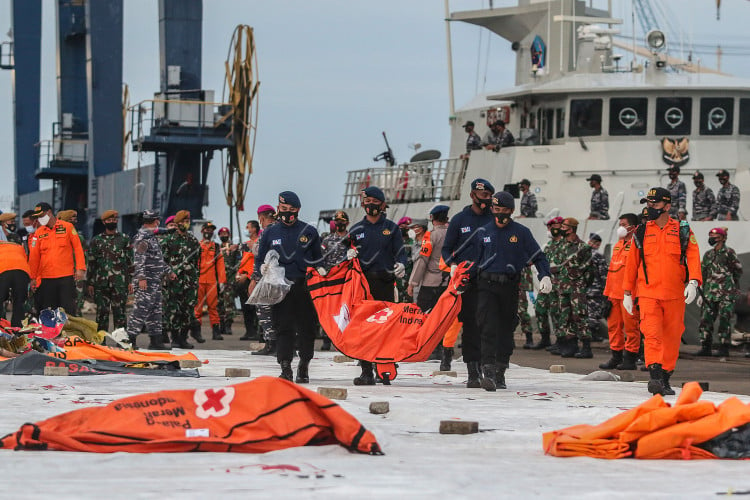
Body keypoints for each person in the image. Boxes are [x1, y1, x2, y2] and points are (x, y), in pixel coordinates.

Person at [623, 187, 702, 396]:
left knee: (673, 336)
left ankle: (666, 376)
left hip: (675, 294)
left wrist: (693, 282)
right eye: (648, 203)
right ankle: (656, 375)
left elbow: (693, 256)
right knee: (652, 334)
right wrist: (627, 293)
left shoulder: (682, 229)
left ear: (667, 206)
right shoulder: (641, 231)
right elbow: (632, 263)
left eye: (655, 204)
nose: (650, 207)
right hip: (648, 293)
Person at [473, 191, 552, 391]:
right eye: (497, 210)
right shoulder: (483, 232)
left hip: (509, 286)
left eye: (505, 211)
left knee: (506, 329)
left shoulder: (521, 233)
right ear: (491, 209)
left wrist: (545, 275)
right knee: (488, 327)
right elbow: (472, 261)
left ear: (512, 211)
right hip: (486, 285)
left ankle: (500, 370)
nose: (501, 214)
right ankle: (488, 371)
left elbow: (538, 256)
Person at [247, 191, 322, 383]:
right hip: (280, 288)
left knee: (307, 328)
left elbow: (319, 258)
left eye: (292, 210)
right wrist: (258, 273)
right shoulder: (270, 233)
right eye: (284, 209)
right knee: (283, 327)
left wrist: (320, 269)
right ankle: (285, 366)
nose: (287, 213)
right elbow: (259, 258)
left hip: (304, 287)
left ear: (298, 210)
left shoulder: (309, 231)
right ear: (278, 208)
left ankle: (304, 364)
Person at [348, 186, 407, 385]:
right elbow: (344, 254)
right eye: (367, 201)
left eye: (375, 202)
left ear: (382, 205)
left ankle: (384, 369)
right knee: (364, 328)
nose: (370, 205)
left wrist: (401, 264)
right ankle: (366, 370)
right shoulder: (356, 230)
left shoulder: (392, 228)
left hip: (385, 282)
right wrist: (348, 256)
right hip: (363, 285)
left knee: (385, 328)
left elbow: (401, 253)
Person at [441, 178, 495, 387]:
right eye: (484, 196)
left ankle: (489, 369)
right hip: (468, 282)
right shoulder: (459, 220)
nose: (487, 200)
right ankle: (473, 371)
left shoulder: (494, 219)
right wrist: (452, 263)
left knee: (488, 326)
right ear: (473, 195)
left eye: (490, 196)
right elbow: (446, 249)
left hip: (490, 280)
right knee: (471, 326)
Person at [407, 205, 452, 369]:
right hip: (448, 282)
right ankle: (441, 348)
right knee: (443, 317)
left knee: (421, 316)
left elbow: (422, 260)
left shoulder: (430, 236)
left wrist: (412, 283)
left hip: (429, 282)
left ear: (432, 218)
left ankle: (422, 347)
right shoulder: (452, 234)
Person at [127, 210, 176, 350]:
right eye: (157, 221)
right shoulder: (142, 238)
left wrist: (168, 271)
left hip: (154, 281)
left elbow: (157, 259)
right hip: (146, 281)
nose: (158, 223)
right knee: (140, 311)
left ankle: (156, 341)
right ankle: (129, 340)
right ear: (155, 221)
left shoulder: (151, 237)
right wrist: (141, 278)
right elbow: (138, 261)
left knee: (155, 311)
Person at [28, 202, 86, 314]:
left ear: (49, 212)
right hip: (47, 278)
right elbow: (34, 257)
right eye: (38, 217)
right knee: (49, 310)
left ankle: (68, 331)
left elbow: (78, 248)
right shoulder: (39, 233)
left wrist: (80, 268)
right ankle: (52, 332)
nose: (39, 219)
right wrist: (33, 277)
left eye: (41, 216)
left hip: (66, 276)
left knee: (68, 309)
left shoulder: (68, 227)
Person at [600, 213, 641, 370]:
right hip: (613, 295)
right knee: (614, 327)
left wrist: (634, 295)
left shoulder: (636, 246)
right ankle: (616, 357)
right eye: (620, 224)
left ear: (633, 227)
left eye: (624, 224)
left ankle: (630, 358)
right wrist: (606, 294)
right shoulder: (618, 245)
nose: (621, 228)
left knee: (631, 328)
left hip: (628, 294)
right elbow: (612, 271)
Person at [695, 227, 742, 357]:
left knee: (724, 320)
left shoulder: (729, 252)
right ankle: (706, 346)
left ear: (722, 238)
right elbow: (703, 273)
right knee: (705, 320)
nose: (712, 238)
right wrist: (702, 292)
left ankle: (724, 347)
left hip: (725, 293)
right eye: (710, 235)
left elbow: (737, 270)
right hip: (709, 293)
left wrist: (732, 287)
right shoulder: (708, 254)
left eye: (715, 236)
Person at [86, 210, 133, 332]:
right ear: (104, 222)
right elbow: (92, 262)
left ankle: (122, 340)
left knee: (120, 312)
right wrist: (90, 282)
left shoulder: (124, 239)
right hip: (101, 283)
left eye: (114, 219)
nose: (112, 222)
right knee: (102, 313)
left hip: (120, 283)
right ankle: (101, 341)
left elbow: (130, 262)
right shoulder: (96, 241)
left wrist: (131, 281)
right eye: (109, 220)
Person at [161, 209, 202, 348]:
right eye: (183, 221)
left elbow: (198, 262)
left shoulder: (193, 241)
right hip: (174, 282)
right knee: (174, 311)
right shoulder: (169, 241)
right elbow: (162, 261)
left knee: (187, 310)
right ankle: (175, 338)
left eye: (187, 221)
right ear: (177, 223)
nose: (186, 223)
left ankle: (183, 338)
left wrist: (195, 278)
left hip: (189, 282)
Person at [555, 217, 593, 358]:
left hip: (577, 287)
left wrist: (582, 285)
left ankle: (586, 347)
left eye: (564, 226)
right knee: (566, 316)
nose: (561, 228)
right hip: (563, 286)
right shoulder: (561, 246)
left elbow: (589, 270)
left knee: (580, 316)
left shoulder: (583, 247)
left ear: (570, 229)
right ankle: (571, 345)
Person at [320, 210, 353, 351]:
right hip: (330, 279)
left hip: (346, 280)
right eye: (337, 221)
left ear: (347, 223)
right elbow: (320, 258)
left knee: (346, 311)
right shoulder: (327, 240)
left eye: (342, 222)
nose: (339, 224)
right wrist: (321, 270)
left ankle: (346, 340)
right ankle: (326, 339)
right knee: (329, 310)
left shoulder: (352, 239)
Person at [250, 205, 279, 355]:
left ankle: (271, 344)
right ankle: (282, 345)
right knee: (281, 312)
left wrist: (254, 279)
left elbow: (260, 258)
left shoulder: (266, 232)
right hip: (281, 279)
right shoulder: (281, 229)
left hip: (267, 279)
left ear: (261, 218)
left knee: (264, 310)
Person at [532, 216, 564, 351]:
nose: (550, 230)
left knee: (556, 313)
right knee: (540, 309)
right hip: (546, 283)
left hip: (559, 284)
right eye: (549, 228)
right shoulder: (549, 245)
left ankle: (559, 340)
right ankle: (545, 338)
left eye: (552, 228)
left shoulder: (564, 245)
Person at [194, 222, 227, 343]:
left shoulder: (216, 247)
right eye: (207, 230)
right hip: (199, 281)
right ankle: (197, 332)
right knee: (197, 308)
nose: (209, 232)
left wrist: (222, 281)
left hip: (212, 282)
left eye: (211, 230)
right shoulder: (197, 246)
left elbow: (220, 264)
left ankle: (216, 331)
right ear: (202, 231)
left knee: (213, 307)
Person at [57, 209, 88, 314]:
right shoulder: (57, 236)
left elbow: (84, 256)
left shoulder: (79, 238)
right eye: (72, 218)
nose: (75, 220)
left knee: (76, 304)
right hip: (63, 273)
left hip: (75, 274)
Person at [235, 220, 261, 341]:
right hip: (243, 278)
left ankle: (256, 331)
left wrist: (249, 275)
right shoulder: (246, 245)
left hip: (253, 278)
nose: (246, 229)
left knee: (254, 307)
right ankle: (249, 330)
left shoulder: (258, 244)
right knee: (245, 306)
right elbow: (244, 261)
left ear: (255, 229)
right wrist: (239, 272)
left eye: (248, 227)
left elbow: (258, 262)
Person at [0, 239, 31, 327]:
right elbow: (26, 259)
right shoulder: (17, 246)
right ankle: (18, 328)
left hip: (3, 269)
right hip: (22, 270)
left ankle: (2, 326)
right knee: (19, 300)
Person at [217, 227, 241, 337]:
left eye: (225, 233)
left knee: (229, 303)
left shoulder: (234, 247)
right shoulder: (217, 248)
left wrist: (236, 275)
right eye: (222, 233)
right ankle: (221, 325)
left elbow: (238, 262)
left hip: (230, 280)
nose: (224, 235)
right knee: (219, 303)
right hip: (218, 280)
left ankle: (228, 325)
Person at [585, 233, 608, 342]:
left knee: (588, 312)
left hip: (585, 289)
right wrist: (606, 289)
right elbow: (604, 274)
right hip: (596, 289)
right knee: (594, 313)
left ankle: (589, 334)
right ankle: (593, 335)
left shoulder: (582, 255)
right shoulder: (598, 256)